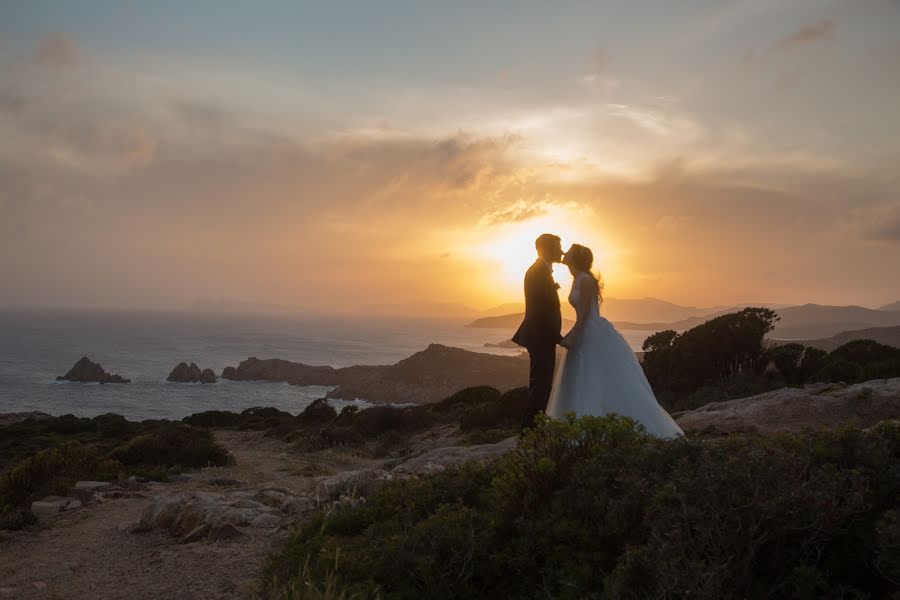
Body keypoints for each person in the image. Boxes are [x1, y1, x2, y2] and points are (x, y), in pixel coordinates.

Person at [547, 243, 683, 438]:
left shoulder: (585, 280)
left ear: (575, 257)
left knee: (592, 376)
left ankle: (600, 426)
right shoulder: (577, 278)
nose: (564, 253)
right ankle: (581, 424)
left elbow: (585, 312)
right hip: (586, 330)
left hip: (590, 331)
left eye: (568, 251)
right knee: (582, 377)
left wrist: (574, 333)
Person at [512, 233, 563, 428]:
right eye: (558, 247)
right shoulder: (537, 273)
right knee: (540, 388)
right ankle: (531, 434)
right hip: (541, 338)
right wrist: (558, 338)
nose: (562, 251)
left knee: (541, 386)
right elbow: (540, 310)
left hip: (541, 338)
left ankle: (533, 431)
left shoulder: (541, 271)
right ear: (548, 249)